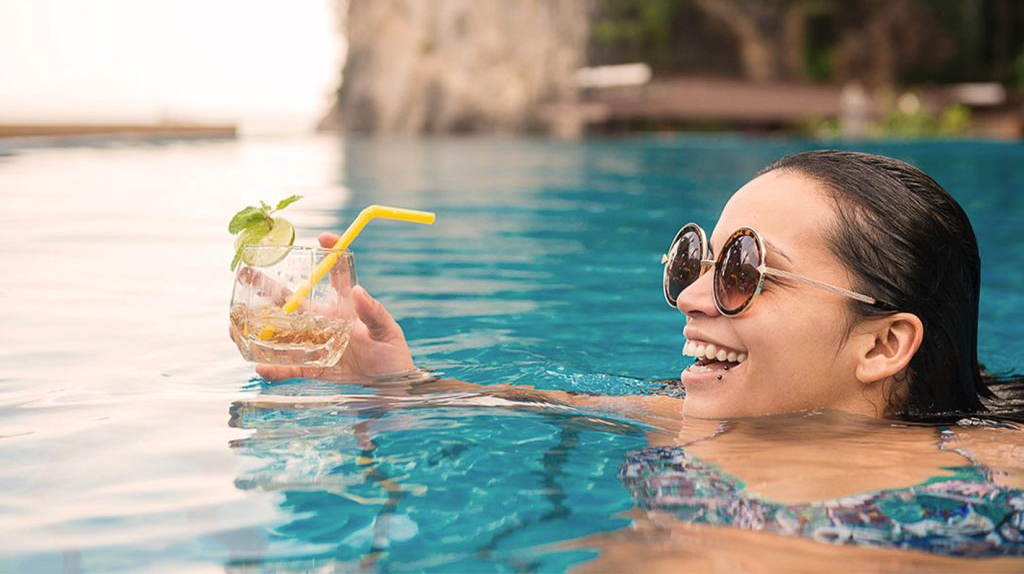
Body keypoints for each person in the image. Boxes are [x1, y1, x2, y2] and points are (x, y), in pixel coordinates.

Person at [253, 149, 1019, 424]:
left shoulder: (981, 483)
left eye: (745, 271)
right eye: (697, 259)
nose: (690, 297)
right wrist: (396, 381)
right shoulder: (702, 419)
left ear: (883, 344)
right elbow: (539, 402)